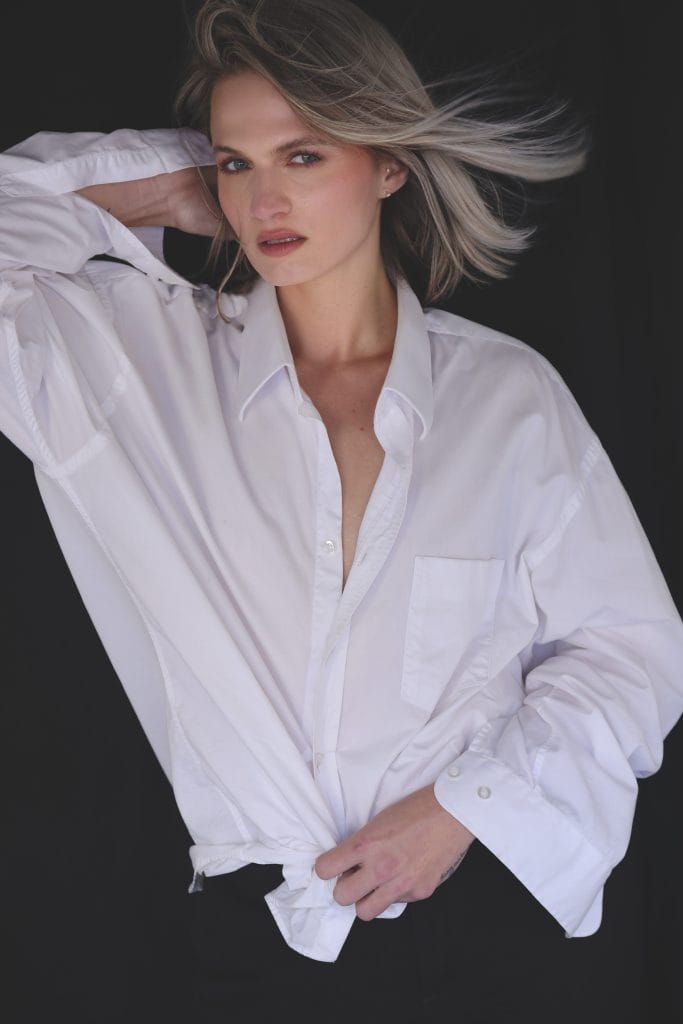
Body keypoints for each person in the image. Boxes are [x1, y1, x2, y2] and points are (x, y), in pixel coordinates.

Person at [1, 0, 682, 1019]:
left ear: (389, 161)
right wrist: (170, 186)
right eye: (237, 163)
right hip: (261, 944)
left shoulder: (506, 398)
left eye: (304, 155)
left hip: (487, 917)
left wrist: (462, 809)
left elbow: (632, 651)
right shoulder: (138, 374)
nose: (265, 198)